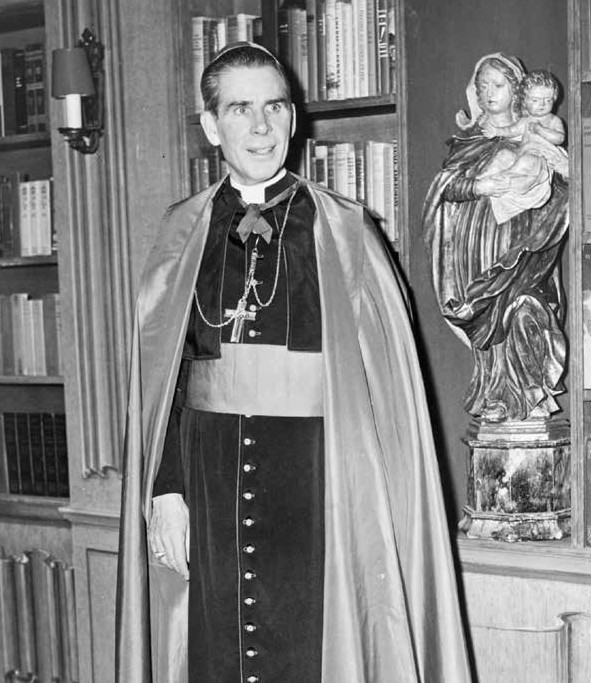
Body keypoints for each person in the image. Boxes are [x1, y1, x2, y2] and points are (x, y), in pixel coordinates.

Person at [116, 42, 472, 683]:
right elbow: (165, 380)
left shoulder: (346, 230)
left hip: (317, 481)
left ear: (293, 117)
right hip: (209, 476)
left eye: (275, 107)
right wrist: (166, 489)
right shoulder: (181, 231)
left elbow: (386, 393)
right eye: (240, 109)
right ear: (211, 126)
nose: (261, 127)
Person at [423, 53, 569, 424]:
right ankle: (494, 395)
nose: (489, 92)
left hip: (524, 242)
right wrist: (480, 185)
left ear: (516, 90)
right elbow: (447, 187)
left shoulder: (532, 131)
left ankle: (528, 396)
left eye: (498, 85)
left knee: (524, 309)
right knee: (487, 316)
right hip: (476, 246)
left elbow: (562, 186)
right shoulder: (469, 140)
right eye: (483, 85)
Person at [476, 69, 568, 223]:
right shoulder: (526, 121)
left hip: (538, 157)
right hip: (522, 154)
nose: (542, 105)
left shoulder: (553, 120)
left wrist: (541, 130)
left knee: (526, 162)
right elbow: (511, 130)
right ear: (524, 101)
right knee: (503, 155)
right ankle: (486, 176)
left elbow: (559, 138)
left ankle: (508, 180)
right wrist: (496, 131)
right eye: (535, 100)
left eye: (548, 100)